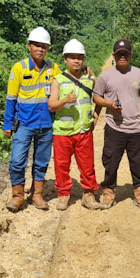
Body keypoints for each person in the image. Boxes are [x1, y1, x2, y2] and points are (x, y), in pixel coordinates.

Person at [3, 26, 61, 212]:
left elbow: (67, 82)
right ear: (29, 46)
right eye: (36, 45)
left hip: (46, 124)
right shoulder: (19, 68)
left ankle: (37, 194)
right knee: (17, 160)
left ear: (48, 49)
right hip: (24, 124)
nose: (40, 49)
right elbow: (11, 99)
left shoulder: (54, 68)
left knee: (41, 161)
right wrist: (7, 124)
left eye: (44, 46)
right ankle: (18, 196)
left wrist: (84, 71)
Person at [93, 39, 140, 210]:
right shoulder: (106, 76)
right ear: (114, 56)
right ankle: (108, 193)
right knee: (111, 162)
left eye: (126, 53)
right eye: (119, 54)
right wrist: (109, 105)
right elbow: (96, 97)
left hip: (135, 127)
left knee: (138, 161)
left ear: (130, 55)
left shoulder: (138, 74)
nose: (123, 56)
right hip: (114, 127)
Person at [48, 39, 103, 211]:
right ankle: (63, 195)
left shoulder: (89, 79)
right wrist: (65, 100)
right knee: (61, 165)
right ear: (65, 59)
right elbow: (51, 105)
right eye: (72, 57)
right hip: (63, 133)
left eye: (80, 57)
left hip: (84, 131)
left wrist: (96, 114)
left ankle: (88, 194)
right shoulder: (58, 80)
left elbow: (98, 97)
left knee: (87, 165)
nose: (76, 61)